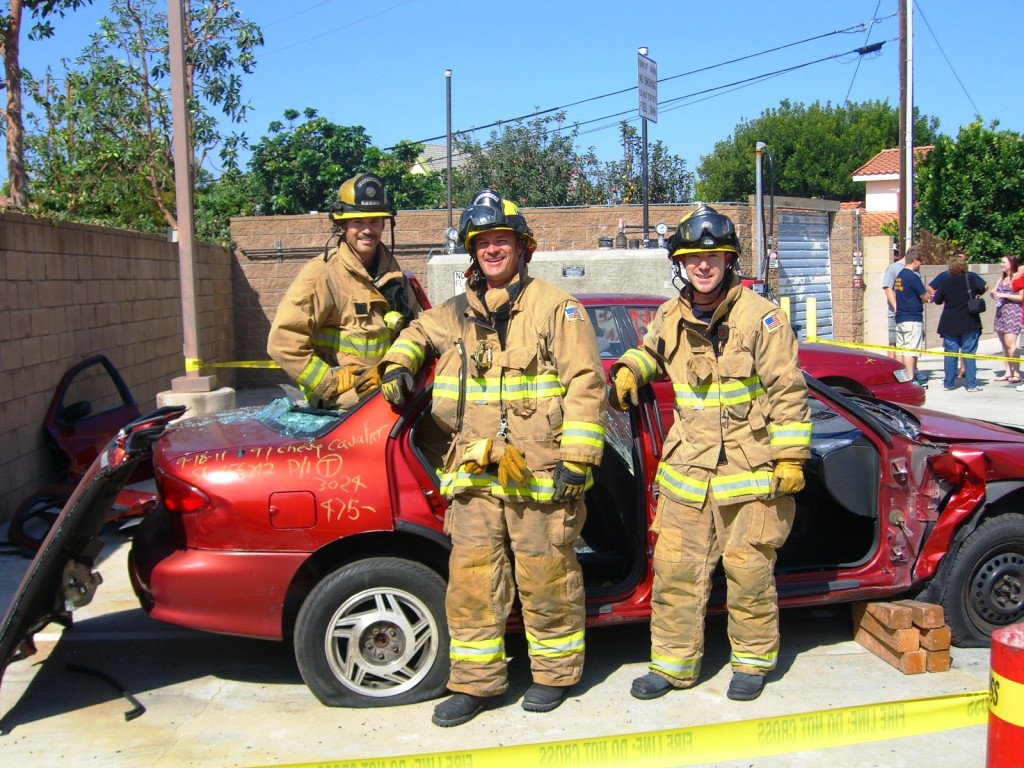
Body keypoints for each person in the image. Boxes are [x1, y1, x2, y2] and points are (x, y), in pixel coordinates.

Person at [377, 188, 607, 727]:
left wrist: (578, 457)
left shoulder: (557, 309)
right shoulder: (455, 315)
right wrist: (398, 362)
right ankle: (476, 683)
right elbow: (415, 331)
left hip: (540, 473)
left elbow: (585, 384)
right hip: (476, 474)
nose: (493, 250)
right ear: (472, 252)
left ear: (522, 248)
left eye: (502, 240)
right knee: (474, 580)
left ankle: (554, 675)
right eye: (483, 243)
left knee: (546, 574)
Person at [608, 205, 811, 702]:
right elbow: (650, 349)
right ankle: (673, 667)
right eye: (693, 257)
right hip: (689, 471)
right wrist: (629, 368)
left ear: (729, 260)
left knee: (748, 571)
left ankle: (752, 662)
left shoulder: (762, 318)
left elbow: (788, 390)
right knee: (676, 571)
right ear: (680, 263)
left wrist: (790, 458)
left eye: (713, 257)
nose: (703, 266)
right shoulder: (670, 315)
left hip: (751, 468)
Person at [267, 172, 422, 407]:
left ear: (384, 223)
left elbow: (417, 328)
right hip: (343, 406)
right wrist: (331, 382)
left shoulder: (391, 273)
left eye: (374, 221)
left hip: (384, 391)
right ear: (342, 224)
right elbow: (283, 342)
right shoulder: (322, 275)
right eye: (358, 222)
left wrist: (394, 366)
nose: (367, 230)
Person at [932, 252, 987, 392]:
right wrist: (977, 294)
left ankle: (948, 383)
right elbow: (985, 286)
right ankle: (971, 384)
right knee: (969, 353)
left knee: (951, 353)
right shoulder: (971, 277)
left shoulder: (945, 281)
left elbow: (938, 300)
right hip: (969, 320)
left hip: (950, 322)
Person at [892, 246, 928, 386]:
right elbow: (924, 297)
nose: (921, 264)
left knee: (900, 349)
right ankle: (910, 380)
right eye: (920, 261)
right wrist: (929, 297)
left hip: (900, 318)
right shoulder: (913, 277)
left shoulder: (900, 275)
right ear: (916, 261)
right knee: (910, 351)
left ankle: (900, 378)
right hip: (912, 318)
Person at [991, 254, 1022, 383]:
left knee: (1010, 343)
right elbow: (994, 292)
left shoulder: (1018, 278)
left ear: (1011, 263)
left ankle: (1016, 372)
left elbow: (1021, 297)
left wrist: (1004, 294)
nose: (1001, 264)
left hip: (1013, 312)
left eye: (1004, 262)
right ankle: (1007, 372)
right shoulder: (1002, 277)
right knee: (1004, 344)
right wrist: (994, 294)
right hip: (1000, 312)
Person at [882, 246, 907, 359]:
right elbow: (887, 288)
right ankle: (892, 370)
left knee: (908, 344)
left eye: (897, 253)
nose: (895, 256)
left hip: (911, 314)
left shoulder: (914, 269)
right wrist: (897, 307)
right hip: (896, 314)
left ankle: (911, 370)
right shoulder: (893, 268)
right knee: (894, 343)